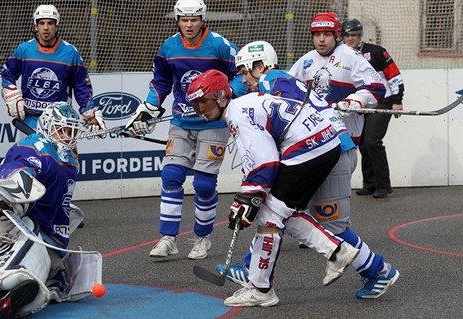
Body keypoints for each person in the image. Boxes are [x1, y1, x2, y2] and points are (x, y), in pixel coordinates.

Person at [221, 14, 400, 300]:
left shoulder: (275, 79)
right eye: (316, 33)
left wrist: (355, 100)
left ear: (260, 66)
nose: (244, 81)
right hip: (317, 149)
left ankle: (379, 270)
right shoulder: (300, 64)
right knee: (280, 207)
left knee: (331, 225)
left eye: (245, 73)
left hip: (335, 148)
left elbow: (377, 87)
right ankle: (252, 269)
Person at [187, 69, 359, 307]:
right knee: (282, 210)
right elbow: (261, 162)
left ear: (220, 97)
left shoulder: (236, 115)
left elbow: (266, 163)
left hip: (307, 148)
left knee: (270, 216)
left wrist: (247, 199)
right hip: (324, 143)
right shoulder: (244, 105)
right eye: (195, 104)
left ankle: (262, 289)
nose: (200, 109)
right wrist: (248, 194)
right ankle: (335, 251)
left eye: (203, 101)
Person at [0, 102, 100, 318]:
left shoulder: (68, 161)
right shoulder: (33, 147)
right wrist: (12, 195)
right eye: (64, 129)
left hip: (35, 227)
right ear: (48, 126)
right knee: (12, 262)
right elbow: (17, 174)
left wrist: (56, 249)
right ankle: (7, 288)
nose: (69, 136)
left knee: (53, 281)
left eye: (72, 130)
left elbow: (57, 208)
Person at [124, 0, 238, 260]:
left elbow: (240, 74)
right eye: (184, 19)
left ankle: (202, 238)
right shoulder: (169, 47)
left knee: (204, 183)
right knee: (171, 176)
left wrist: (228, 100)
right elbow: (161, 82)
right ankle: (168, 238)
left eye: (194, 19)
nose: (189, 24)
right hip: (181, 121)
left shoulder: (220, 45)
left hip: (212, 122)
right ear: (177, 19)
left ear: (202, 19)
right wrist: (148, 109)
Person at [1, 4, 105, 134]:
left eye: (50, 23)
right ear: (35, 26)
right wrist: (10, 90)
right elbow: (7, 72)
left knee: (63, 155)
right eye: (41, 23)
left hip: (60, 122)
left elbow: (82, 85)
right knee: (30, 154)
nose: (46, 27)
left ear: (57, 26)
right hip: (29, 122)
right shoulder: (24, 49)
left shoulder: (70, 53)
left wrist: (89, 112)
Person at [342, 18, 404, 198]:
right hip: (361, 103)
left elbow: (394, 76)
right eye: (347, 35)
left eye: (354, 35)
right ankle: (369, 184)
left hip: (383, 101)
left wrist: (397, 100)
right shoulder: (342, 55)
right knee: (362, 143)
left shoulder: (377, 52)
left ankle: (384, 185)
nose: (350, 38)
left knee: (372, 141)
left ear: (360, 35)